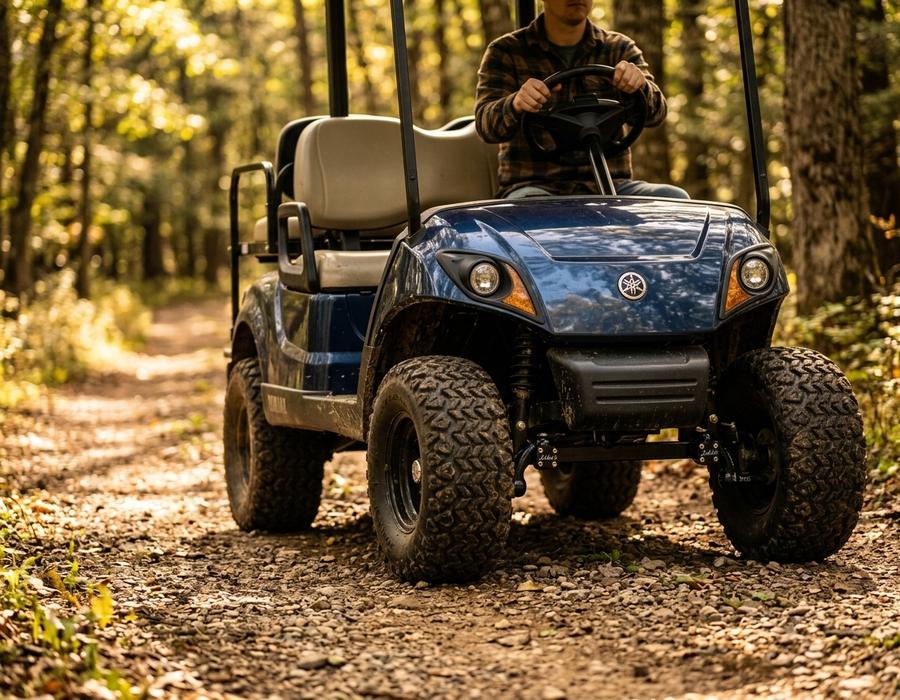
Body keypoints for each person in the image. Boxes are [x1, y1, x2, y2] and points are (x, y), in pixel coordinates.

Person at [474, 0, 689, 200]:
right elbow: (486, 125)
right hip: (534, 188)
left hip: (612, 186)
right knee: (537, 219)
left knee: (676, 199)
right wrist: (515, 103)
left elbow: (656, 114)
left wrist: (640, 87)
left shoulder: (619, 48)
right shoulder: (505, 52)